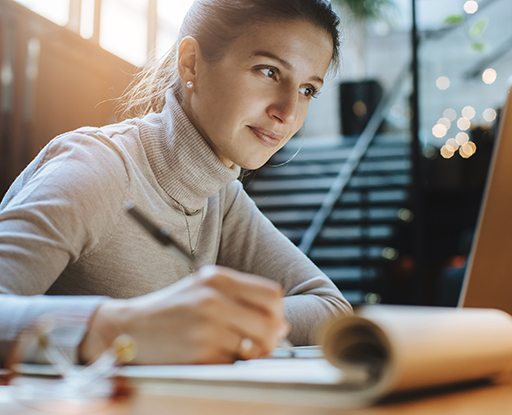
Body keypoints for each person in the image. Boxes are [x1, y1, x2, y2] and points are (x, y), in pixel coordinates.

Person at [0, 0, 352, 366]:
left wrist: (221, 322)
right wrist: (124, 330)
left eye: (308, 90)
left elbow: (331, 309)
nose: (288, 112)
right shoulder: (99, 167)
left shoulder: (222, 195)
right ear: (192, 64)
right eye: (269, 71)